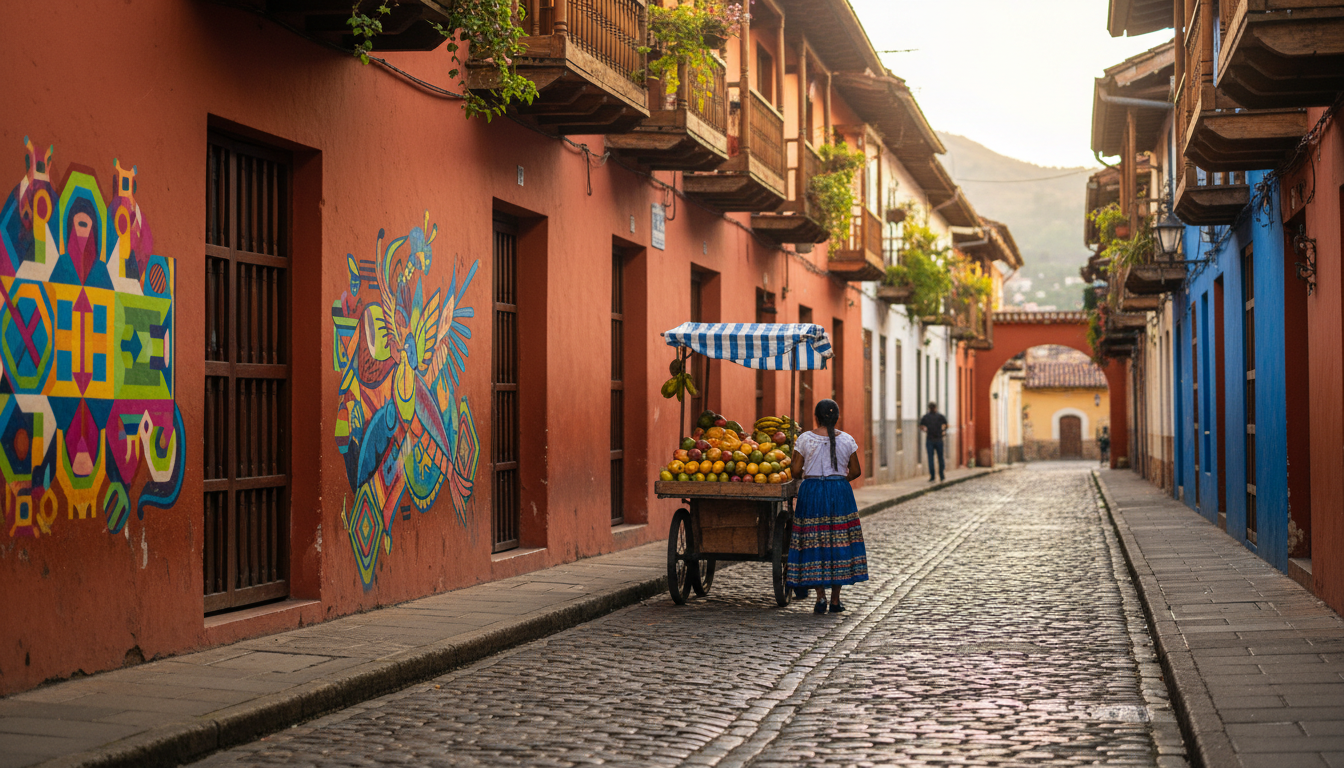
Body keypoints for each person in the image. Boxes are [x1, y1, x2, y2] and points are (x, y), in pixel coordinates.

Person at [787, 399, 868, 614]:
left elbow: (795, 472)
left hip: (812, 492)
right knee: (838, 542)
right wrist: (839, 482)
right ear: (836, 417)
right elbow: (856, 471)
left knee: (814, 541)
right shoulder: (848, 440)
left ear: (816, 417)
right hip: (840, 492)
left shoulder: (804, 439)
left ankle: (820, 597)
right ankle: (835, 600)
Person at [918, 401, 948, 482]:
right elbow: (946, 424)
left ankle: (933, 476)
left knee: (931, 458)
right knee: (940, 458)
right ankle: (940, 475)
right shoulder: (939, 416)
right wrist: (943, 430)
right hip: (937, 439)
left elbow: (921, 426)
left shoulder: (926, 417)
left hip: (931, 439)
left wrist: (925, 429)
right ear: (935, 408)